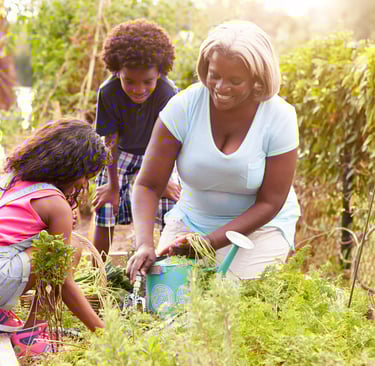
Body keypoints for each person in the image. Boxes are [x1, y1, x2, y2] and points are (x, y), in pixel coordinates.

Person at [126, 20, 301, 283]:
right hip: (192, 222)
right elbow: (148, 185)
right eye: (215, 74)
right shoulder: (184, 107)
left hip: (259, 228)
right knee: (167, 297)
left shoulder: (279, 117)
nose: (220, 87)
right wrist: (144, 244)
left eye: (235, 80)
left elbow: (270, 202)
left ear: (257, 78)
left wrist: (207, 244)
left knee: (233, 301)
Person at [0, 119, 108, 357]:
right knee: (68, 250)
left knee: (66, 246)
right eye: (85, 176)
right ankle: (33, 332)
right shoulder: (55, 204)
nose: (84, 184)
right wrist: (106, 336)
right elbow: (62, 281)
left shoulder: (14, 180)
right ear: (70, 167)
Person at [92, 18, 181, 261]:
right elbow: (109, 141)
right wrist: (112, 186)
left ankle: (165, 266)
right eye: (129, 81)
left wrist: (163, 182)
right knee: (106, 206)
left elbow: (171, 141)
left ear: (159, 73)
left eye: (147, 82)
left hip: (158, 151)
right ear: (116, 71)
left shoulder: (168, 92)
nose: (138, 89)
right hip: (120, 152)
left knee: (170, 206)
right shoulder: (108, 92)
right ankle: (97, 270)